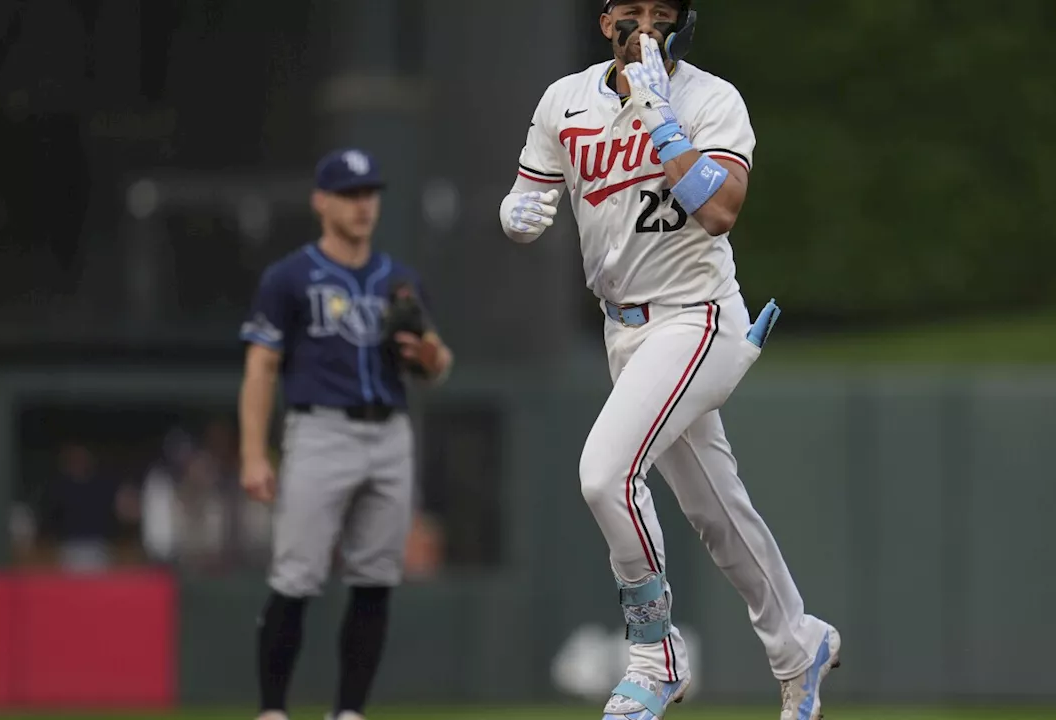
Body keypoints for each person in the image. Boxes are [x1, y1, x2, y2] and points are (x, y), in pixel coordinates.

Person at [498, 2, 841, 719]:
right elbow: (533, 193)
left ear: (686, 23)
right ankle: (796, 642)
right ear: (604, 21)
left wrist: (658, 112)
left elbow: (718, 211)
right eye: (632, 10)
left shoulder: (710, 98)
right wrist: (518, 210)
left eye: (663, 12)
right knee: (716, 512)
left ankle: (655, 657)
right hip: (624, 329)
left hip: (697, 316)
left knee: (605, 475)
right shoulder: (564, 100)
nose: (646, 25)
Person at [238, 148, 453, 720]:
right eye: (350, 194)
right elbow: (260, 367)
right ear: (321, 201)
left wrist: (430, 354)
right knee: (296, 575)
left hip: (389, 432)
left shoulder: (400, 281)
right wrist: (254, 453)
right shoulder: (288, 278)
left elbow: (437, 362)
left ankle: (350, 713)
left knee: (376, 577)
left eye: (370, 194)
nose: (363, 206)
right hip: (319, 430)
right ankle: (273, 711)